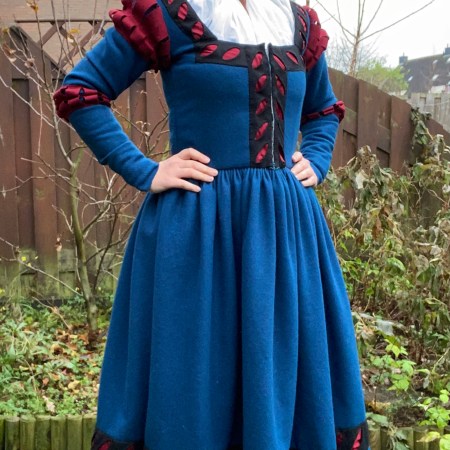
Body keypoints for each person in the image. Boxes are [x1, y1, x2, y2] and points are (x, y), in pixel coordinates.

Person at [54, 0, 370, 448]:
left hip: (286, 238)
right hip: (197, 237)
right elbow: (81, 91)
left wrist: (316, 159)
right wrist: (145, 170)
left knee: (281, 370)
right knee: (196, 375)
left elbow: (323, 110)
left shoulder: (298, 23)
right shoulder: (169, 13)